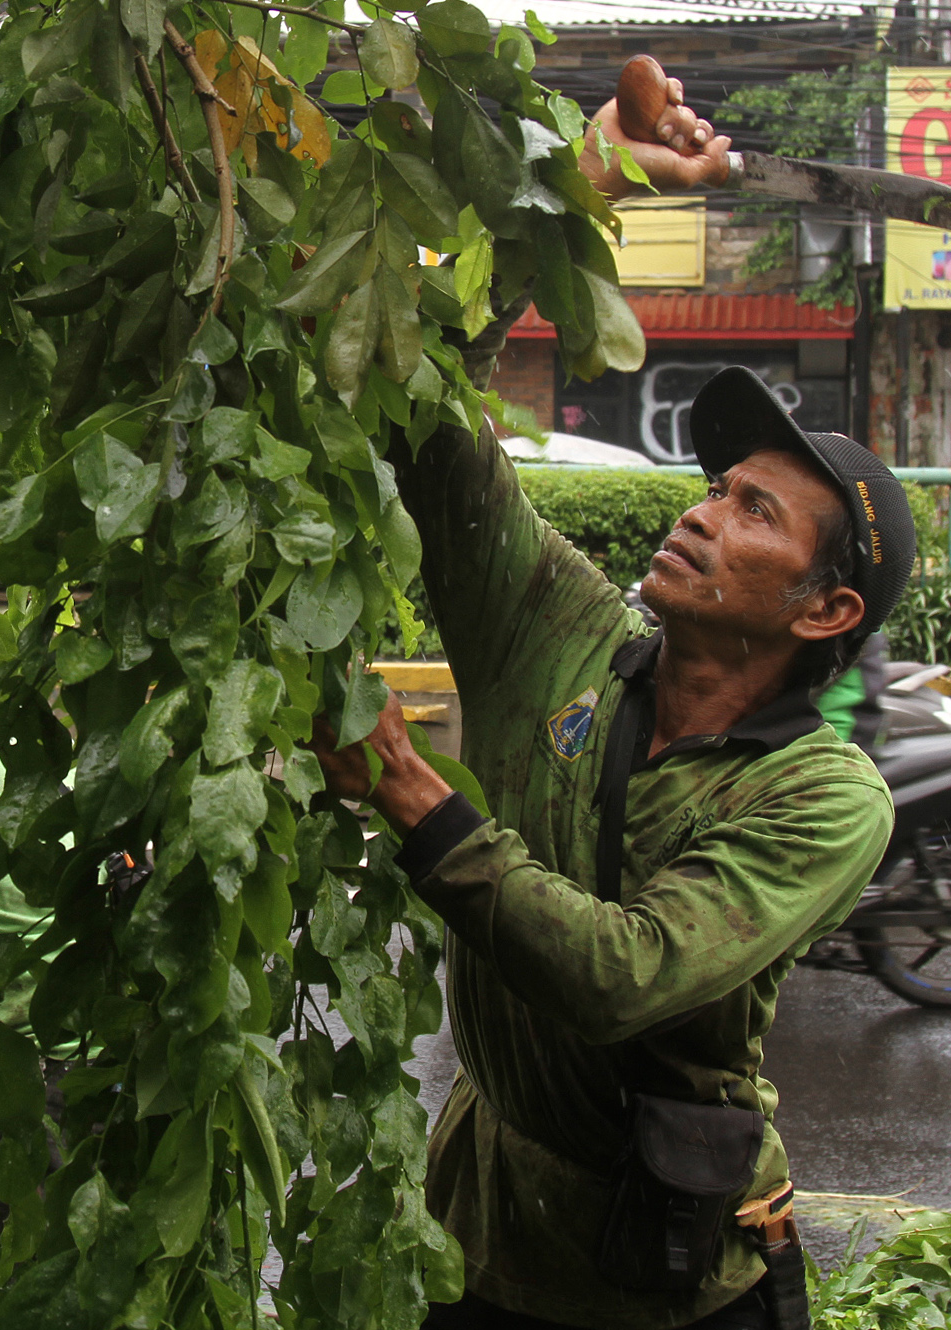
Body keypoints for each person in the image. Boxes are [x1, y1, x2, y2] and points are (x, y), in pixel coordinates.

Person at [309, 363, 917, 1330]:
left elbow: (620, 977)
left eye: (755, 511)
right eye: (716, 488)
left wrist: (405, 787)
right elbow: (432, 429)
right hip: (478, 1242)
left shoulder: (823, 798)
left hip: (670, 1276)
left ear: (825, 610)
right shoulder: (560, 632)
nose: (703, 514)